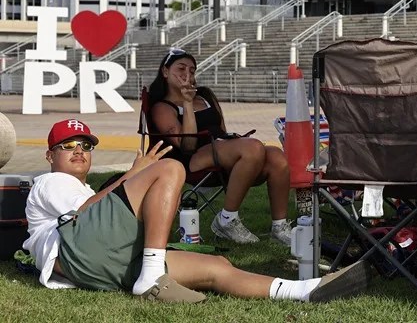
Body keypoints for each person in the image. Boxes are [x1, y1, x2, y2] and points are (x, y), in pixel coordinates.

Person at [24, 119, 370, 303]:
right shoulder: (49, 183)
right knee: (171, 168)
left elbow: (93, 211)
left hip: (101, 265)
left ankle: (304, 291)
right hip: (74, 253)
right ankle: (150, 277)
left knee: (217, 267)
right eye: (66, 146)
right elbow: (79, 215)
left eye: (85, 145)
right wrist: (133, 175)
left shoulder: (84, 190)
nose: (78, 150)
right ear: (50, 156)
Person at [147, 48, 291, 245]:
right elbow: (187, 145)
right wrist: (187, 103)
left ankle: (279, 227)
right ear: (165, 71)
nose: (187, 74)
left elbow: (221, 130)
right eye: (181, 68)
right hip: (191, 159)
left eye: (192, 70)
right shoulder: (162, 107)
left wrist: (234, 141)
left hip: (220, 149)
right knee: (254, 148)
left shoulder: (205, 95)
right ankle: (227, 220)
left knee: (276, 156)